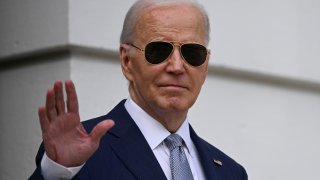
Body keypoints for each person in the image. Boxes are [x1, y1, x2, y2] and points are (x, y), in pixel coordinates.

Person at [30, 0, 247, 179]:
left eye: (192, 53)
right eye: (159, 50)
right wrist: (57, 172)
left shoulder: (230, 172)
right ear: (127, 61)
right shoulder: (78, 157)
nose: (177, 67)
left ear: (205, 66)